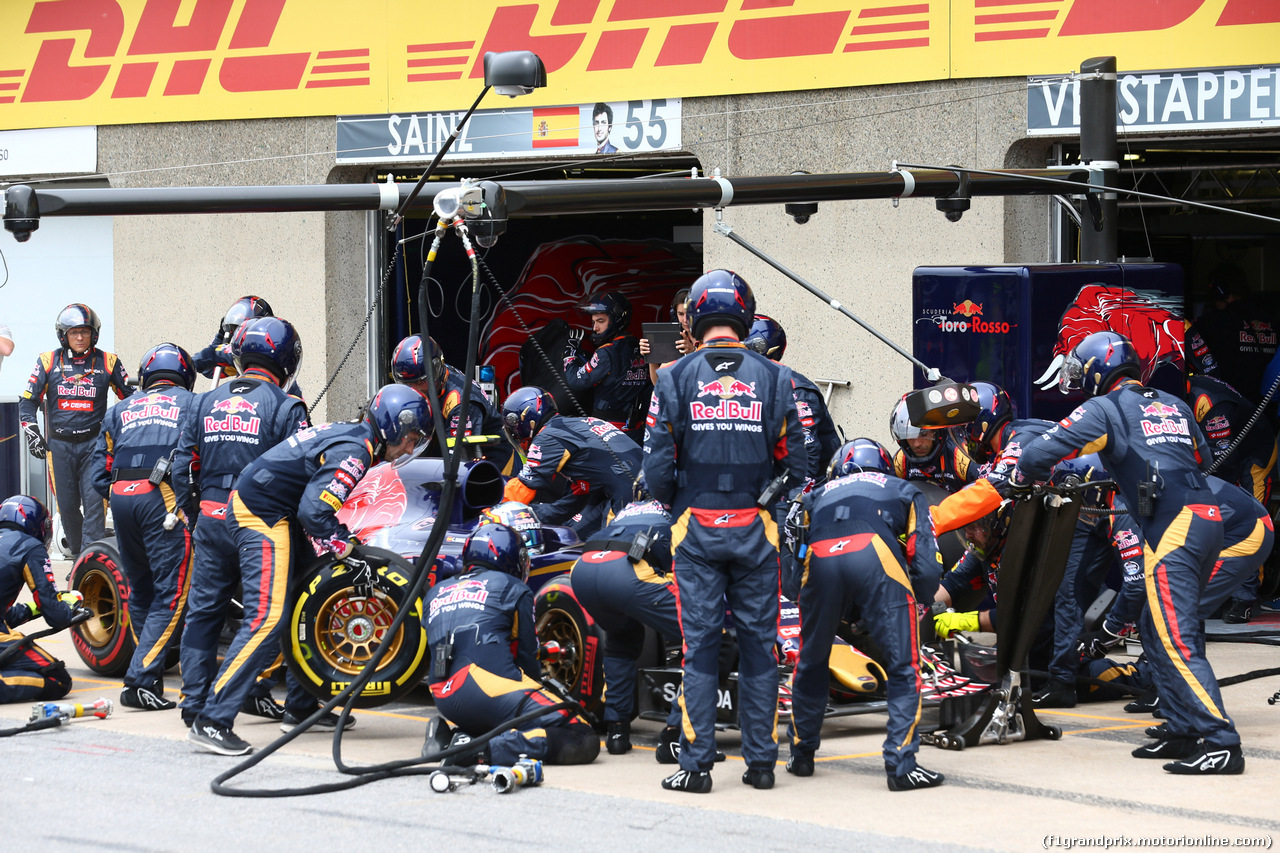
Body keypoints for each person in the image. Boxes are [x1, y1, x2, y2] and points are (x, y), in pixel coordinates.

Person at [1011, 330, 1242, 775]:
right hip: (1204, 518)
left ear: (1099, 369)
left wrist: (1022, 476)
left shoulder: (1105, 407)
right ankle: (1182, 729)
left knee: (1176, 639)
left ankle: (1219, 742)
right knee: (1156, 633)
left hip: (1172, 527)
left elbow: (1044, 451)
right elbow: (1203, 453)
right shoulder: (1173, 402)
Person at [188, 384, 430, 756]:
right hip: (261, 514)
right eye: (411, 438)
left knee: (308, 594)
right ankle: (212, 719)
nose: (410, 449)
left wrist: (340, 543)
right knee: (267, 617)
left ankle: (301, 706)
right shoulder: (355, 451)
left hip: (277, 512)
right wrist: (342, 542)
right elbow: (315, 512)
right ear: (393, 426)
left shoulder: (354, 436)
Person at [643, 268, 806, 793]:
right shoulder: (780, 379)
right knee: (761, 646)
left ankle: (697, 768)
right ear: (744, 314)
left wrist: (682, 506)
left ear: (694, 317)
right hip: (757, 531)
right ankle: (761, 766)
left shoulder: (671, 377)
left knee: (701, 648)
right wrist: (761, 503)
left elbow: (657, 469)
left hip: (696, 528)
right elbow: (800, 465)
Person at [174, 317, 311, 728]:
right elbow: (301, 474)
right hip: (261, 524)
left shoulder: (204, 401)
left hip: (212, 519)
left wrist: (198, 513)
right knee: (272, 614)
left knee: (203, 613)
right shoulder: (288, 407)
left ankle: (193, 701)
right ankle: (293, 703)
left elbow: (182, 468)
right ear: (287, 359)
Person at [786, 439, 944, 791]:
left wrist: (810, 598)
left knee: (811, 661)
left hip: (820, 555)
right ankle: (901, 765)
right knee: (904, 665)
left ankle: (801, 754)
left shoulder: (814, 494)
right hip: (874, 552)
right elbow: (926, 561)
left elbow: (793, 565)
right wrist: (918, 597)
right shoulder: (903, 488)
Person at [422, 522, 599, 767]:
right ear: (507, 555)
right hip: (486, 691)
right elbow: (527, 659)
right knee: (581, 734)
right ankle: (480, 751)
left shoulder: (436, 592)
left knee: (504, 714)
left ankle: (450, 736)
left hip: (442, 694)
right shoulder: (513, 587)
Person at [89, 343, 198, 711]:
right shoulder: (191, 404)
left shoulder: (119, 409)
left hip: (120, 497)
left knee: (141, 591)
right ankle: (140, 681)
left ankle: (148, 666)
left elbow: (97, 474)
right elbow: (198, 459)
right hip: (162, 498)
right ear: (185, 375)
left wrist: (125, 492)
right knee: (173, 592)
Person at [569, 479, 685, 757]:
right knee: (703, 635)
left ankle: (617, 731)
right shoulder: (681, 510)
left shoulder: (624, 510)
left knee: (622, 640)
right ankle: (676, 734)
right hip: (627, 571)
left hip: (582, 570)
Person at [19, 304, 133, 559]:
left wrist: (124, 432)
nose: (80, 337)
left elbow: (130, 398)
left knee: (95, 506)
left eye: (84, 332)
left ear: (94, 334)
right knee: (68, 508)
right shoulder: (47, 361)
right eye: (73, 332)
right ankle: (82, 556)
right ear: (63, 335)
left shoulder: (108, 361)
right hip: (59, 446)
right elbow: (27, 402)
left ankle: (89, 561)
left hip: (96, 445)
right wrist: (32, 432)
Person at [1185, 373, 1276, 623]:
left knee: (1250, 519)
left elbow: (1223, 464)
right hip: (1227, 454)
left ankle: (1246, 597)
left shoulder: (1209, 404)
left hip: (1255, 453)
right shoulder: (1180, 395)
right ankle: (1220, 588)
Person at [500, 386, 642, 535]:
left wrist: (492, 513)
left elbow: (522, 489)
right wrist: (535, 514)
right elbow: (570, 503)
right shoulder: (578, 424)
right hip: (645, 482)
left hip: (627, 493)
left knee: (608, 550)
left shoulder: (547, 437)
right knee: (574, 534)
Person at [930, 381, 1054, 537]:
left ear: (982, 419)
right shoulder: (1006, 443)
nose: (964, 433)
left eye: (965, 426)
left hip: (1084, 512)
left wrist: (931, 520)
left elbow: (989, 491)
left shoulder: (1021, 438)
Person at [0, 495, 82, 703]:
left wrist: (33, 609)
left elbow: (5, 617)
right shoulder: (29, 547)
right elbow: (56, 617)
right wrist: (67, 606)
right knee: (58, 679)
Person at [391, 333, 512, 473]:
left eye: (419, 382)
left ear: (436, 370)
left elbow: (459, 462)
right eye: (407, 384)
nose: (414, 390)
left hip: (495, 466)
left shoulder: (459, 403)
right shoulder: (435, 373)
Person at [744, 315, 841, 482]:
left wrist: (794, 498)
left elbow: (807, 453)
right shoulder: (752, 386)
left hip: (816, 488)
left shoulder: (795, 390)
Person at [563, 292, 651, 443]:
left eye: (600, 321)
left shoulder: (606, 352)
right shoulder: (641, 346)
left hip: (608, 431)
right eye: (593, 322)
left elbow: (577, 380)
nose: (595, 328)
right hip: (637, 431)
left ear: (616, 320)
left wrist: (569, 356)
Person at [1189, 264, 1278, 401]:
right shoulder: (1273, 321)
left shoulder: (1214, 322)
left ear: (1220, 291)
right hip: (1266, 412)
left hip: (1228, 408)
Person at [889, 396, 977, 492]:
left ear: (937, 432)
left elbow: (987, 490)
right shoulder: (901, 461)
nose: (917, 444)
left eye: (923, 434)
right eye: (910, 436)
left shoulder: (961, 457)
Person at [193, 296, 274, 382]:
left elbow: (216, 354)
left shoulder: (266, 349)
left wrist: (212, 353)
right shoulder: (237, 361)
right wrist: (221, 336)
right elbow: (210, 370)